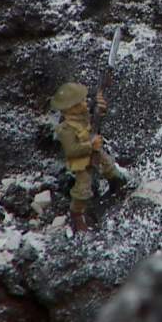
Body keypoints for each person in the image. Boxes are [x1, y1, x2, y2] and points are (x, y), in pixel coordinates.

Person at [51, 82, 131, 232]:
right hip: (81, 162)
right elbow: (72, 150)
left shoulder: (83, 117)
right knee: (83, 188)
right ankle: (77, 216)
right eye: (79, 102)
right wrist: (90, 145)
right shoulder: (65, 129)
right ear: (69, 108)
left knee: (108, 166)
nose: (84, 103)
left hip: (95, 152)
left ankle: (118, 186)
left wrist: (101, 107)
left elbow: (96, 117)